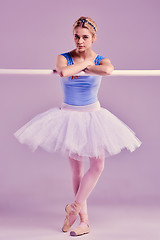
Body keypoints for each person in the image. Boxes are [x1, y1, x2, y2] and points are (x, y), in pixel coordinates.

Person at [14, 16, 142, 237]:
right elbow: (63, 71)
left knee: (97, 166)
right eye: (76, 36)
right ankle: (84, 220)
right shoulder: (63, 57)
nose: (80, 41)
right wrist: (85, 65)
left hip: (93, 116)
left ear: (94, 38)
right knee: (77, 171)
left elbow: (109, 70)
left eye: (85, 37)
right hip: (69, 117)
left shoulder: (103, 59)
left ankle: (73, 208)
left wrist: (84, 66)